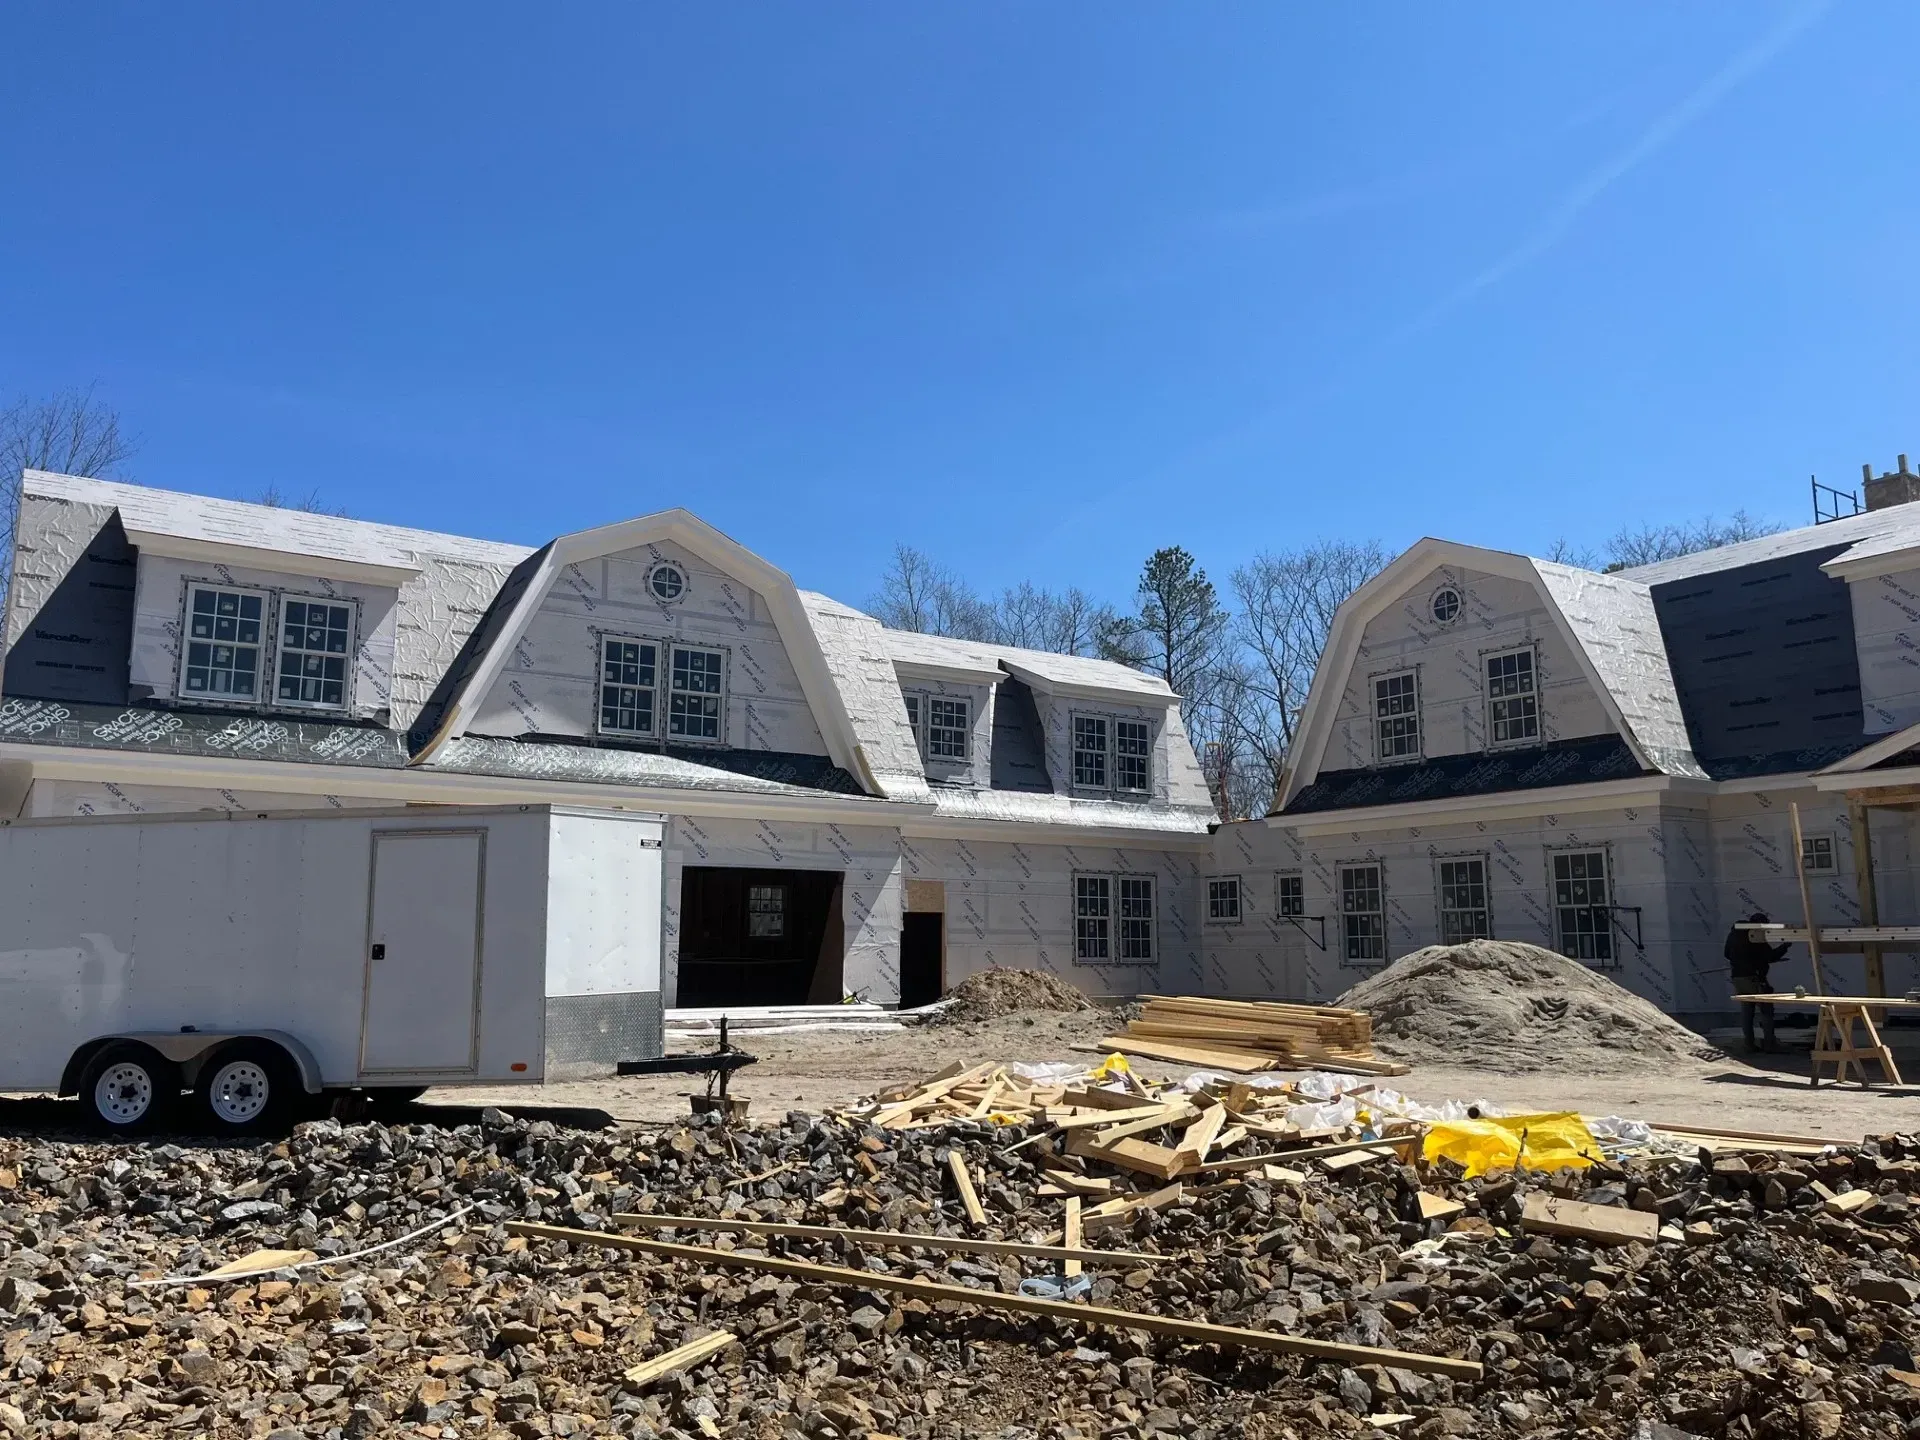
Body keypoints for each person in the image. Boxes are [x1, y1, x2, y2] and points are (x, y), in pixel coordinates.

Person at [1724, 912, 1790, 1052]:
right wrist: (1785, 946)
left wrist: (1742, 960)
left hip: (1737, 977)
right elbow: (1770, 956)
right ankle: (1769, 1044)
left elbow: (1727, 954)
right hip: (1754, 978)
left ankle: (1748, 1044)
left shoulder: (1735, 933)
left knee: (1747, 1011)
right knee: (1766, 1010)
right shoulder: (1755, 935)